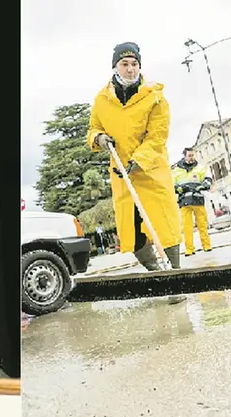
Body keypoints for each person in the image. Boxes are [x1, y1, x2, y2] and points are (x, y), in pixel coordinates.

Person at [87, 41, 182, 272]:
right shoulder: (102, 99)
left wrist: (139, 161)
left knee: (164, 225)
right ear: (115, 66)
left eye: (134, 64)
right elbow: (93, 127)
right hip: (122, 174)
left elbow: (158, 135)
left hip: (151, 170)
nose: (130, 69)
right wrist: (98, 138)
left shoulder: (155, 96)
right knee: (132, 231)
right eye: (124, 64)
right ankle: (156, 273)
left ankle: (175, 275)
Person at [173, 147, 213, 256]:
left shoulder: (200, 168)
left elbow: (208, 179)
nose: (191, 158)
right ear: (184, 156)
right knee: (187, 227)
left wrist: (204, 185)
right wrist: (178, 189)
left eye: (192, 155)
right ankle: (189, 249)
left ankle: (206, 245)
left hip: (198, 199)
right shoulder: (176, 170)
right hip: (184, 201)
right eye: (189, 155)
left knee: (202, 225)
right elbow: (172, 185)